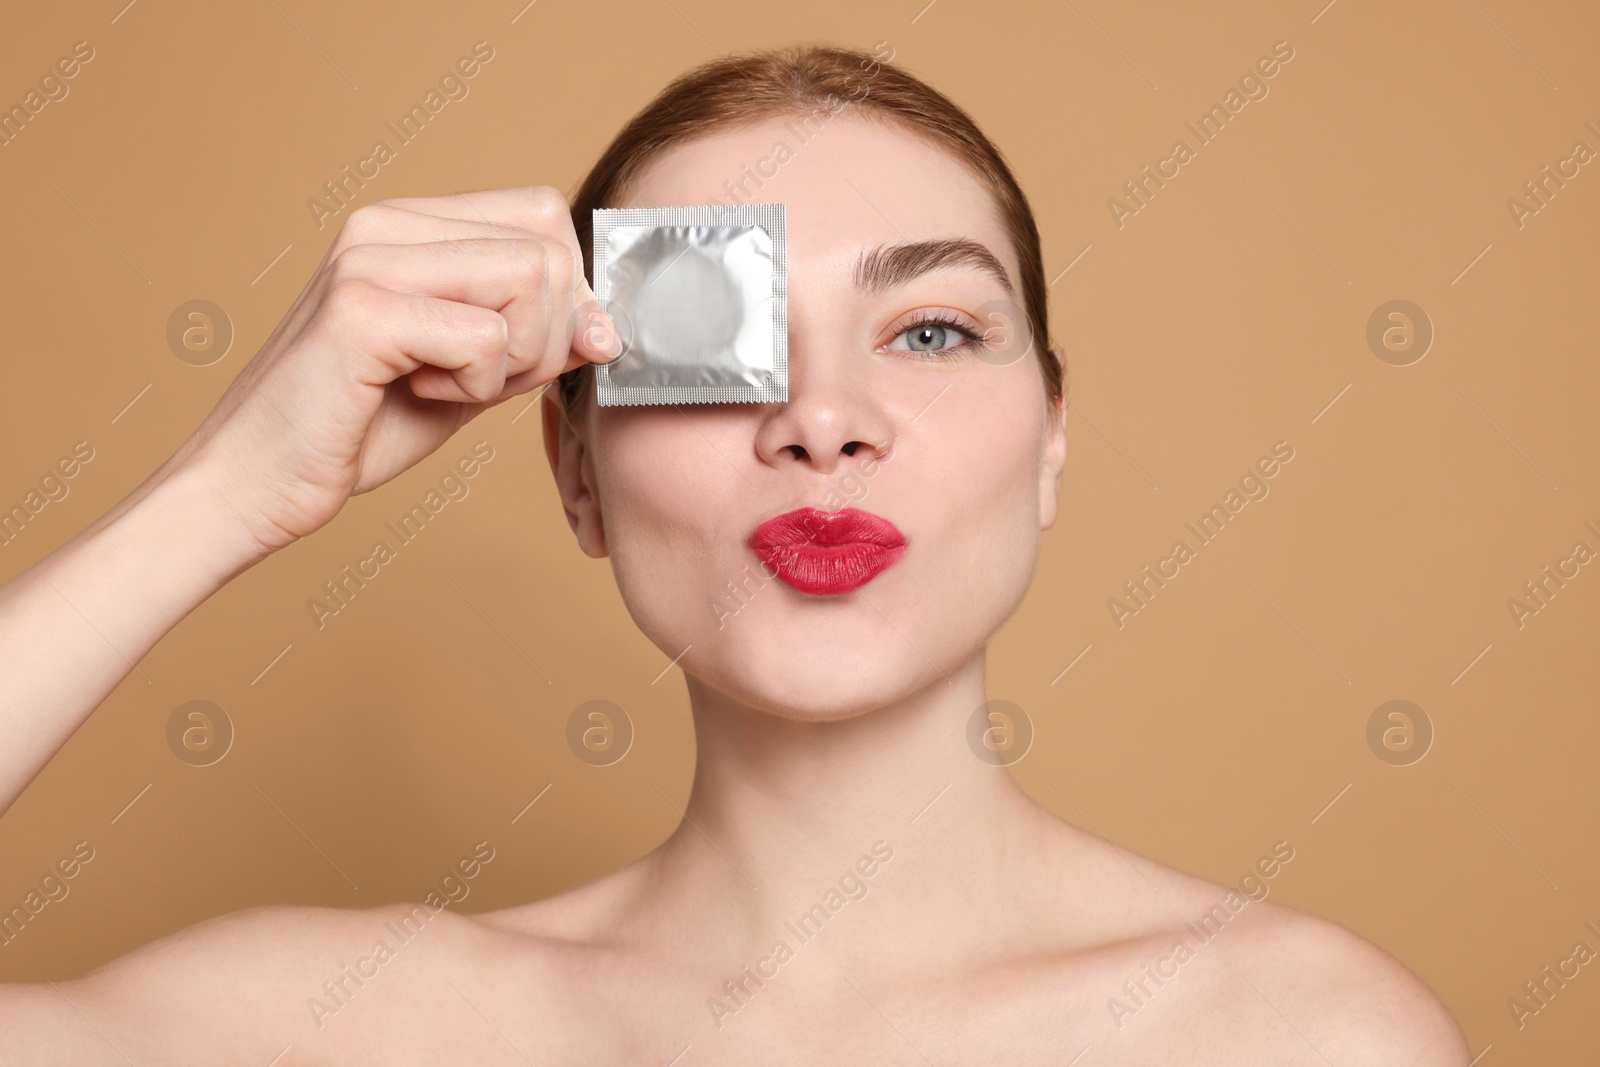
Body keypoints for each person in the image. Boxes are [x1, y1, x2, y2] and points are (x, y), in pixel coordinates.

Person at [0, 45, 1467, 1064]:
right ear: (575, 468)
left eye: (933, 330)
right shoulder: (327, 1030)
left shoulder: (1297, 1039)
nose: (821, 422)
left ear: (1053, 438)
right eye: (713, 346)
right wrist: (229, 491)